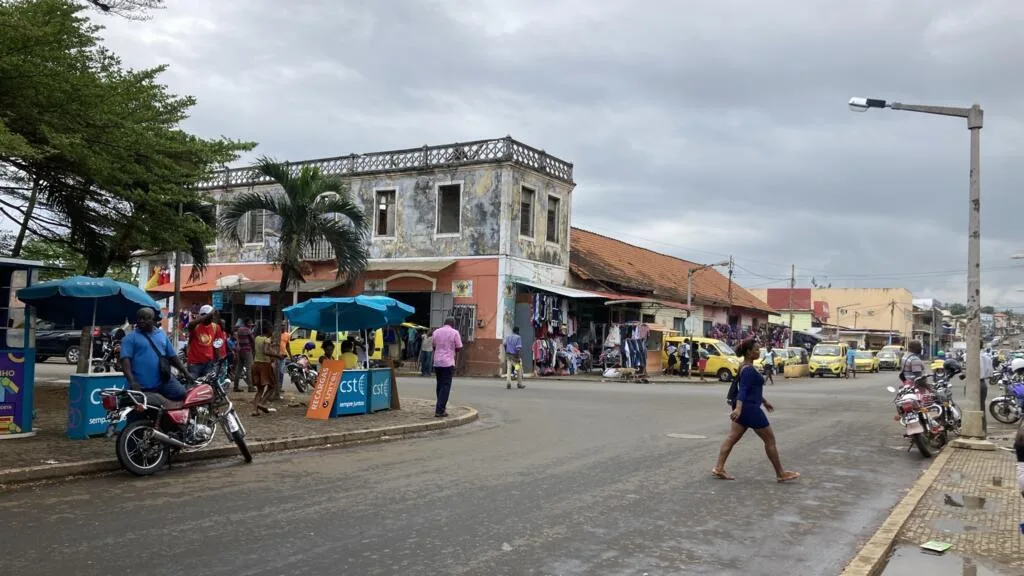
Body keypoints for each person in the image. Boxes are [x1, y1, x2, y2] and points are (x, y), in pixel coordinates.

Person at [712, 339, 800, 483]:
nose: (759, 352)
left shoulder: (743, 367)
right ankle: (780, 473)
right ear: (748, 352)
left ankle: (719, 467)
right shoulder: (748, 370)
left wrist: (764, 402)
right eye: (757, 350)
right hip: (750, 409)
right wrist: (739, 408)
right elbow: (744, 390)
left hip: (746, 407)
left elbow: (751, 390)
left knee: (732, 438)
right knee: (770, 440)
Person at [120, 307, 195, 402]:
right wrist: (132, 382)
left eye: (145, 318)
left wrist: (185, 373)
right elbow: (125, 362)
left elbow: (172, 357)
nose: (141, 321)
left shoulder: (161, 334)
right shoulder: (130, 338)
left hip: (163, 382)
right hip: (142, 385)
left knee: (182, 395)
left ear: (153, 320)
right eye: (139, 318)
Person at [432, 317, 463, 417]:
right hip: (448, 362)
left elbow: (434, 346)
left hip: (437, 362)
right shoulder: (454, 332)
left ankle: (440, 406)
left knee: (439, 385)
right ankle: (440, 410)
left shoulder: (436, 332)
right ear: (453, 324)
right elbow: (459, 347)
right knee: (446, 386)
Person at [186, 304, 226, 379]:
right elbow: (190, 325)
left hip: (208, 363)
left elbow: (216, 345)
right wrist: (207, 315)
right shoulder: (195, 326)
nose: (212, 318)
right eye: (210, 316)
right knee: (193, 385)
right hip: (194, 363)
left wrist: (219, 359)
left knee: (207, 386)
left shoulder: (215, 327)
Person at [251, 322, 277, 416]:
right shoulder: (267, 340)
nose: (273, 331)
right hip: (264, 365)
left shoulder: (257, 338)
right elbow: (266, 351)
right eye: (271, 329)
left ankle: (255, 410)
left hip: (256, 364)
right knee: (272, 386)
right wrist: (277, 355)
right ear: (268, 330)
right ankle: (262, 403)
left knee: (260, 390)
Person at [233, 318, 255, 393]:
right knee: (249, 369)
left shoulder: (239, 330)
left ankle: (235, 386)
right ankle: (250, 387)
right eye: (251, 323)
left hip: (240, 351)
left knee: (239, 369)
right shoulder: (248, 330)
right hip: (247, 351)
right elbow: (252, 340)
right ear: (248, 323)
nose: (251, 324)